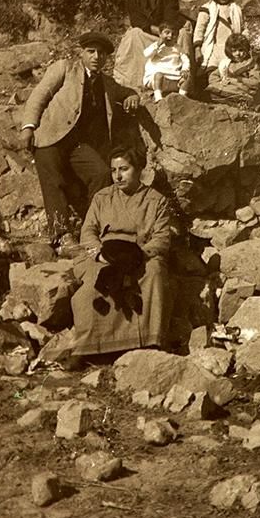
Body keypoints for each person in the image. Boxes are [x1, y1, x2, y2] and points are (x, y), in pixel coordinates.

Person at [20, 31, 141, 249]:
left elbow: (125, 92)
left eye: (102, 53)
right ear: (81, 53)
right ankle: (62, 236)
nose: (97, 57)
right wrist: (29, 127)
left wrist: (132, 95)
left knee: (102, 173)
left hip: (77, 146)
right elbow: (39, 95)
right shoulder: (65, 69)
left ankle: (90, 229)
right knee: (53, 180)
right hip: (50, 137)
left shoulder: (106, 82)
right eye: (91, 52)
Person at [68, 145, 172, 359]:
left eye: (124, 169)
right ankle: (91, 347)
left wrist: (137, 256)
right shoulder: (102, 198)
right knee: (91, 287)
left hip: (139, 255)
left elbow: (162, 238)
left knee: (153, 273)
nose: (117, 176)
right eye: (113, 170)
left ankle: (149, 342)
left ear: (139, 169)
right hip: (105, 254)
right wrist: (99, 253)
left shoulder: (156, 201)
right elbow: (88, 231)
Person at [113, 0, 190, 90]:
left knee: (184, 34)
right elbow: (136, 18)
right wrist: (155, 30)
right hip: (148, 32)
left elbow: (170, 14)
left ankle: (182, 83)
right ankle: (131, 81)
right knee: (133, 35)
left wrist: (164, 32)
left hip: (168, 32)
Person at [207, 33, 260, 111]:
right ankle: (229, 100)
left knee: (245, 97)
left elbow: (256, 82)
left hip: (246, 91)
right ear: (229, 52)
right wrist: (220, 82)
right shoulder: (227, 63)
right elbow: (213, 75)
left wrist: (239, 80)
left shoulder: (251, 64)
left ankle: (247, 104)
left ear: (246, 50)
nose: (237, 54)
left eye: (241, 50)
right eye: (234, 51)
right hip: (229, 88)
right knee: (214, 91)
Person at [193, 0, 245, 74]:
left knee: (231, 73)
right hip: (213, 48)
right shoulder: (207, 9)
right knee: (212, 74)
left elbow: (243, 28)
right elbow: (199, 30)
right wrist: (197, 49)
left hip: (231, 49)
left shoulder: (236, 9)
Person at [143, 20, 191, 101]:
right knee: (158, 75)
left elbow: (185, 60)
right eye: (167, 33)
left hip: (174, 77)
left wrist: (184, 70)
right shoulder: (157, 46)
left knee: (188, 77)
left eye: (174, 34)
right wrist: (158, 44)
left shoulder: (178, 48)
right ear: (160, 34)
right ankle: (158, 97)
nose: (170, 36)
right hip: (157, 79)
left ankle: (181, 97)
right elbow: (147, 54)